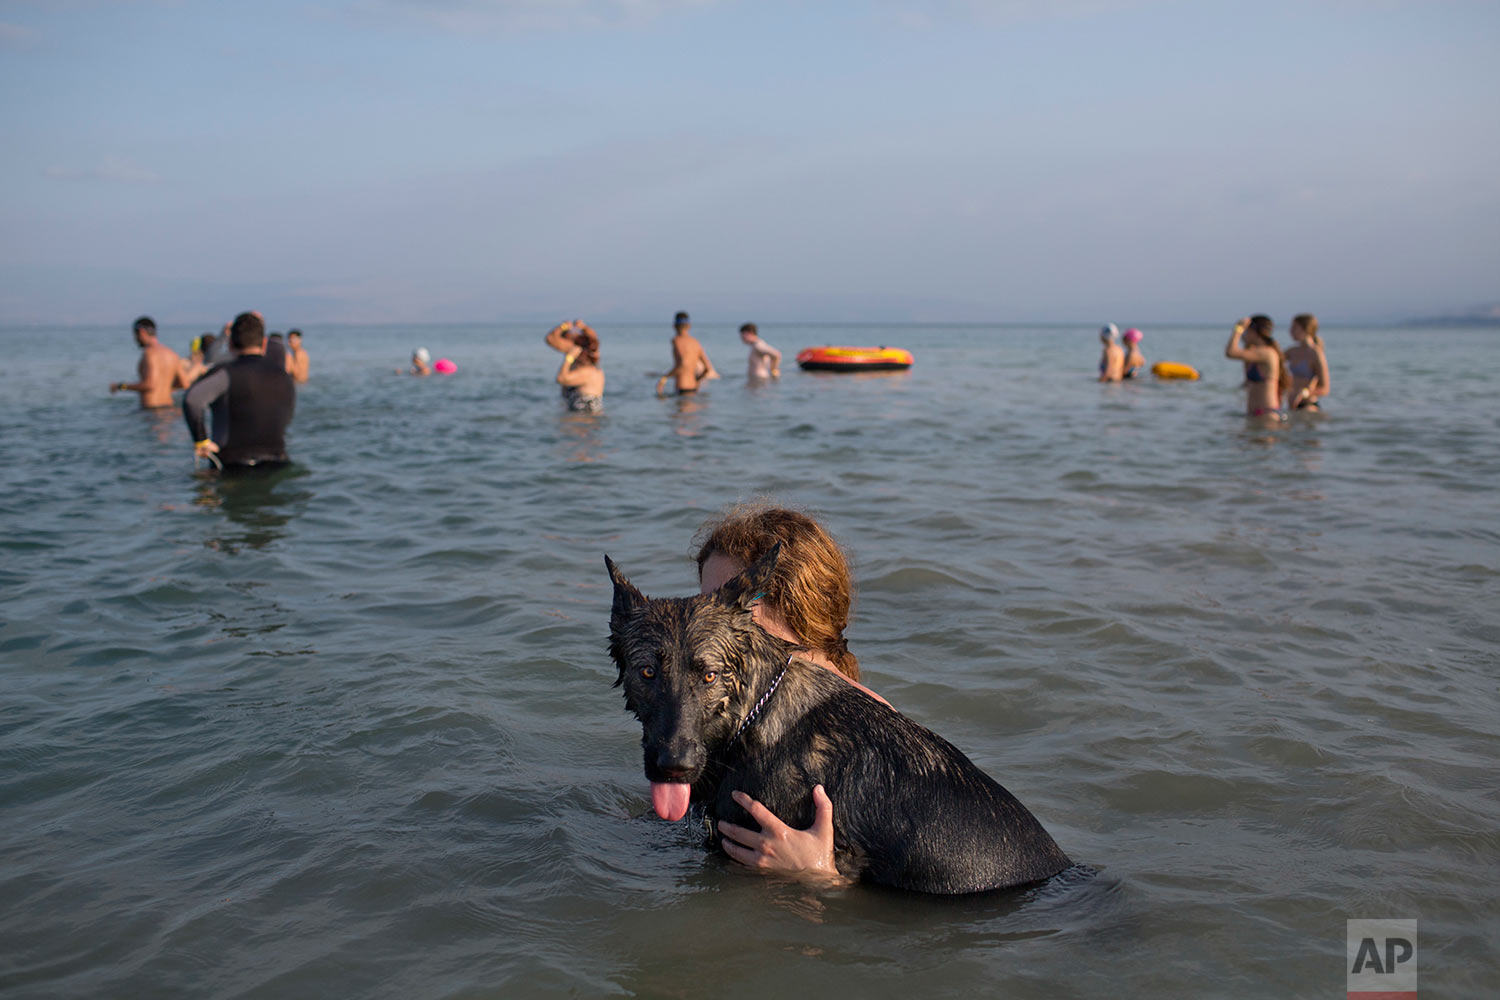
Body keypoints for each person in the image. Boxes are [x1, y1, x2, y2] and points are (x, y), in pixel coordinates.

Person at [693, 505, 888, 882]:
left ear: (796, 606)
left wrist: (819, 872)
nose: (707, 626)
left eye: (730, 604)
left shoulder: (872, 721)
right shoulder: (735, 704)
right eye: (705, 604)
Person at [182, 312, 296, 469]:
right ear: (264, 344)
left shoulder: (225, 373)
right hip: (278, 462)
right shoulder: (283, 376)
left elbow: (192, 400)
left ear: (230, 344)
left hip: (233, 465)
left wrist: (201, 440)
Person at [110, 316, 186, 408]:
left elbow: (150, 385)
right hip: (168, 408)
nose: (135, 339)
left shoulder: (150, 354)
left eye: (135, 335)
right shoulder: (172, 354)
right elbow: (184, 384)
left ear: (142, 332)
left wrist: (121, 386)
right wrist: (164, 388)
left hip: (151, 411)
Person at [1225, 315, 1288, 419]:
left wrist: (1238, 328)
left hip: (1267, 413)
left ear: (1254, 332)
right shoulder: (1253, 353)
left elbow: (1230, 352)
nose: (1244, 334)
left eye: (1246, 331)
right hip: (1253, 414)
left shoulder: (1267, 353)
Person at [544, 320, 605, 413]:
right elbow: (550, 339)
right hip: (577, 412)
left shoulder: (589, 370)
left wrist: (569, 358)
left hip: (585, 416)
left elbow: (561, 378)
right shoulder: (584, 360)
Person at [655, 311, 719, 397]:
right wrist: (697, 380)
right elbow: (708, 368)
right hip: (694, 388)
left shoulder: (676, 340)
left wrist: (664, 378)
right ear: (689, 326)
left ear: (674, 326)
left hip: (682, 387)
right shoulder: (695, 342)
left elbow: (682, 364)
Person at [1283, 313, 1330, 411]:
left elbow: (1325, 388)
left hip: (1308, 404)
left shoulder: (1316, 353)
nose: (1290, 331)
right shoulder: (1292, 351)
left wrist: (1305, 393)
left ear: (1306, 329)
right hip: (1292, 405)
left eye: (1294, 327)